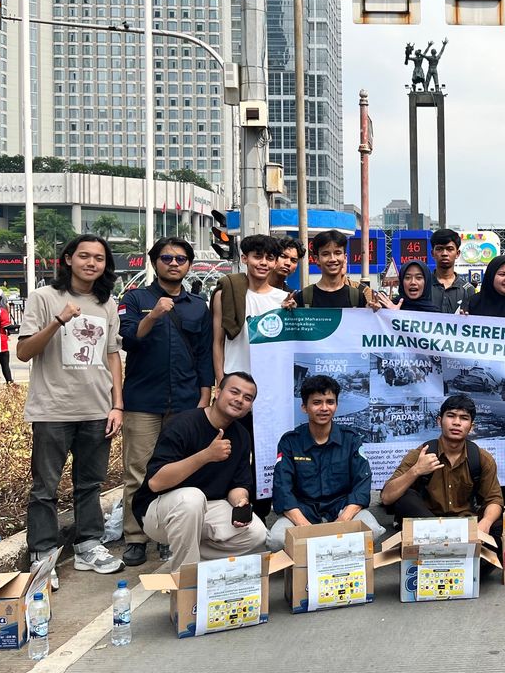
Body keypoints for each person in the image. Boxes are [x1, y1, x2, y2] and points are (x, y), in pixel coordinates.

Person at [18, 234, 125, 584]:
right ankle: (43, 556)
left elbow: (112, 355)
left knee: (90, 484)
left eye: (99, 258)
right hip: (52, 410)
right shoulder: (44, 298)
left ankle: (88, 545)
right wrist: (59, 321)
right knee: (45, 488)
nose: (92, 263)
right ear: (67, 259)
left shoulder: (106, 304)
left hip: (96, 409)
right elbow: (24, 352)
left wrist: (117, 404)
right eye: (84, 256)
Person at [118, 237, 215, 567]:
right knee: (138, 470)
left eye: (181, 259)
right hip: (143, 400)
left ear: (189, 265)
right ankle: (135, 535)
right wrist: (155, 314)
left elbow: (204, 355)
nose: (174, 264)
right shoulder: (135, 298)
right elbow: (129, 339)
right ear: (155, 261)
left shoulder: (198, 306)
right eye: (167, 258)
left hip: (187, 401)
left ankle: (167, 533)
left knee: (180, 470)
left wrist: (205, 395)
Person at [132, 372, 267, 570]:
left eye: (248, 398)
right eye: (234, 392)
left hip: (207, 510)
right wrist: (206, 456)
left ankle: (190, 558)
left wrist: (240, 502)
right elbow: (156, 482)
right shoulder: (183, 424)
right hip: (160, 511)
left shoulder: (241, 435)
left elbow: (238, 484)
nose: (240, 400)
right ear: (218, 392)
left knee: (257, 533)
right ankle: (186, 579)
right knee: (192, 498)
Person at [268, 374, 385, 551]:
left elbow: (362, 483)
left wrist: (343, 521)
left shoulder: (351, 439)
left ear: (336, 405)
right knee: (276, 540)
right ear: (304, 407)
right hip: (303, 511)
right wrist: (304, 527)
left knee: (373, 531)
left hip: (341, 509)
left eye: (330, 402)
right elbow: (282, 488)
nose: (324, 408)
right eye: (316, 402)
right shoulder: (290, 442)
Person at [380, 394, 505, 544]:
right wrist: (416, 471)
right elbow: (387, 498)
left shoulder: (481, 458)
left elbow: (494, 499)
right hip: (427, 527)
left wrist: (485, 523)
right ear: (440, 421)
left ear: (471, 427)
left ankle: (469, 562)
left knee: (501, 525)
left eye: (464, 418)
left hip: (465, 526)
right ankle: (444, 546)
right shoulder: (421, 454)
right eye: (451, 416)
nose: (457, 423)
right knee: (404, 497)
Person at [211, 234, 290, 378]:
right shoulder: (226, 294)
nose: (264, 263)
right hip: (234, 377)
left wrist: (289, 312)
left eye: (270, 258)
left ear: (275, 262)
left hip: (271, 378)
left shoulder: (284, 299)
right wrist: (221, 383)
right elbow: (218, 342)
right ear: (244, 258)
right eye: (258, 256)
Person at [291, 230, 370, 310]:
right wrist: (286, 312)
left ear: (345, 258)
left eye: (337, 253)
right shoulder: (303, 298)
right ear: (317, 259)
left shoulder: (358, 298)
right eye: (325, 254)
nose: (332, 259)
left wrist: (376, 312)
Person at [429, 228, 476, 314]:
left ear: (457, 253)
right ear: (433, 253)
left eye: (449, 249)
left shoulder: (468, 289)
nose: (444, 253)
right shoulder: (424, 286)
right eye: (439, 249)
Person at [375, 260, 441, 312]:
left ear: (426, 282)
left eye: (418, 278)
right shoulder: (389, 307)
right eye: (407, 277)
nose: (413, 282)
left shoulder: (436, 315)